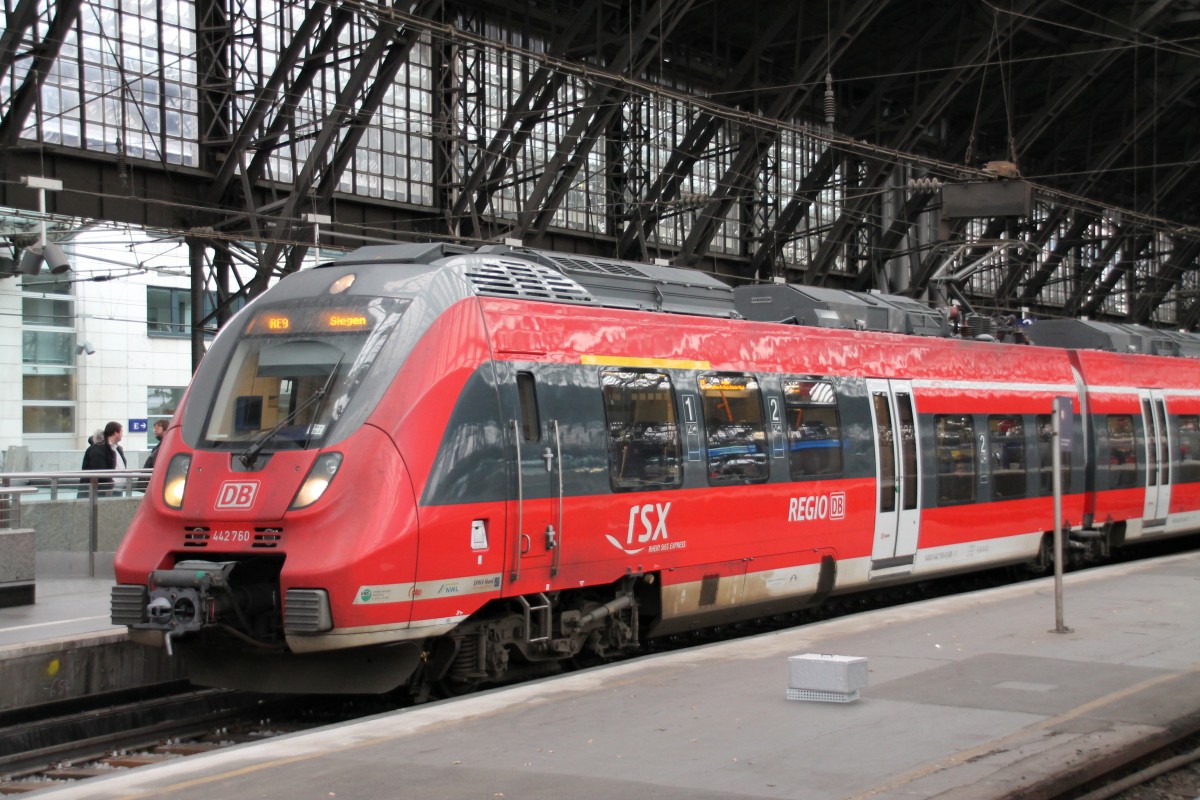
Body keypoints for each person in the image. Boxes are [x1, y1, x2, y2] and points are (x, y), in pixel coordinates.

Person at [80, 421, 127, 497]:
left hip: (117, 491)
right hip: (101, 492)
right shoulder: (98, 449)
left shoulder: (117, 449)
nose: (122, 434)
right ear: (116, 433)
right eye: (121, 432)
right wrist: (110, 484)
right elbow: (99, 471)